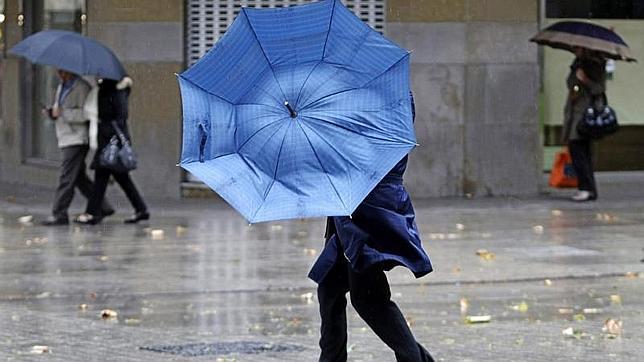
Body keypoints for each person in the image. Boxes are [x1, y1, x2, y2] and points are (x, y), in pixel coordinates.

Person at [308, 95, 434, 362]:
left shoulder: (385, 98)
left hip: (366, 213)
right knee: (329, 287)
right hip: (353, 210)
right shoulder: (360, 94)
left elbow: (368, 152)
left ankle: (415, 359)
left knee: (369, 300)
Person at [42, 69, 114, 226]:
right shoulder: (62, 86)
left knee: (66, 176)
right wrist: (52, 113)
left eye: (63, 71)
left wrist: (63, 113)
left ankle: (59, 213)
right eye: (58, 71)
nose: (60, 74)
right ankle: (103, 206)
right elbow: (60, 107)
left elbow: (86, 114)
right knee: (79, 177)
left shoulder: (82, 87)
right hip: (65, 136)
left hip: (77, 138)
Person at [74, 76, 149, 225]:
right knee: (120, 179)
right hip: (113, 140)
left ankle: (92, 213)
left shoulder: (110, 92)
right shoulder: (118, 91)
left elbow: (112, 115)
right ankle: (141, 209)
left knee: (101, 178)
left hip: (109, 142)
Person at [562, 47, 607, 202]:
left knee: (579, 150)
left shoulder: (595, 64)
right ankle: (587, 188)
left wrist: (585, 80)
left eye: (578, 48)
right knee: (580, 151)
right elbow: (570, 83)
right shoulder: (578, 63)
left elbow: (599, 89)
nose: (575, 50)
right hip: (575, 111)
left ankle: (586, 188)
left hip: (584, 115)